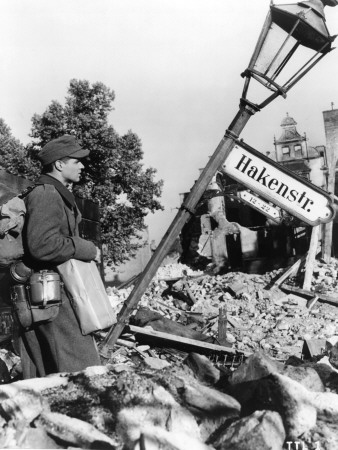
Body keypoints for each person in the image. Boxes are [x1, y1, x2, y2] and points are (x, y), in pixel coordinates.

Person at [20, 135, 102, 378]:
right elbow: (42, 245)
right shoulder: (46, 193)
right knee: (81, 373)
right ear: (58, 164)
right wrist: (86, 248)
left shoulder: (56, 192)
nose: (82, 166)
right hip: (50, 298)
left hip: (56, 294)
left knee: (59, 373)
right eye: (77, 161)